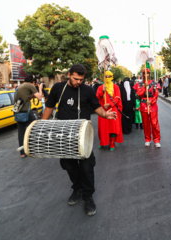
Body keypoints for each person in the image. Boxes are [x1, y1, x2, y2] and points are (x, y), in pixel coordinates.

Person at [42, 64, 117, 216]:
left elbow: (97, 108)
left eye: (81, 79)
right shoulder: (58, 88)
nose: (78, 82)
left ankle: (88, 196)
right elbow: (49, 107)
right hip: (64, 135)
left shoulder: (88, 90)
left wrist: (106, 115)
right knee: (68, 165)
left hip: (83, 136)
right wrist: (42, 126)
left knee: (87, 167)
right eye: (76, 79)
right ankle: (77, 188)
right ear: (69, 75)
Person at [15, 75, 43, 158]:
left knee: (21, 132)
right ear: (33, 82)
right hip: (26, 112)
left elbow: (26, 98)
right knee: (35, 128)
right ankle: (37, 147)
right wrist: (40, 88)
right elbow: (40, 98)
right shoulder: (30, 85)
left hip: (18, 111)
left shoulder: (20, 86)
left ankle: (22, 153)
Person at [134, 68, 161, 147]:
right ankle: (147, 139)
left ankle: (156, 140)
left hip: (152, 106)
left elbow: (156, 95)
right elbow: (139, 94)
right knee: (146, 124)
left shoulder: (155, 84)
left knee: (154, 123)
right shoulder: (139, 84)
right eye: (144, 73)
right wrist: (144, 87)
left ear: (149, 74)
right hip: (143, 105)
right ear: (142, 74)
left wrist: (151, 101)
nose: (146, 75)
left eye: (147, 73)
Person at [96, 71, 123, 151]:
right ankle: (102, 141)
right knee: (102, 127)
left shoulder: (116, 87)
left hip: (113, 109)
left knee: (113, 127)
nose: (107, 78)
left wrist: (110, 104)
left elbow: (117, 97)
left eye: (109, 76)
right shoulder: (100, 87)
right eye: (106, 76)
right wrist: (102, 92)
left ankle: (112, 142)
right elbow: (97, 97)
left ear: (112, 77)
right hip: (102, 110)